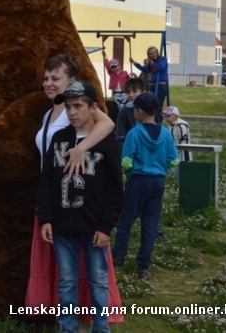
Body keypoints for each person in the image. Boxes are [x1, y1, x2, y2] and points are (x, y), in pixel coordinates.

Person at [27, 53, 123, 326]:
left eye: (55, 78)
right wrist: (46, 215)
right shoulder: (54, 126)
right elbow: (48, 176)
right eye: (46, 77)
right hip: (61, 214)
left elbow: (115, 186)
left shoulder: (101, 136)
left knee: (96, 277)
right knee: (66, 278)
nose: (72, 112)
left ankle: (100, 327)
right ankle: (66, 327)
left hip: (91, 217)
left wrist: (106, 225)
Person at [112, 93, 179, 280]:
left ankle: (118, 259)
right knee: (150, 224)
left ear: (140, 111)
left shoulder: (134, 133)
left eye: (134, 109)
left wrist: (133, 168)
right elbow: (174, 160)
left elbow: (126, 162)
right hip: (158, 182)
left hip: (138, 180)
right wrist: (159, 165)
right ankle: (144, 267)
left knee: (125, 221)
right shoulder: (165, 133)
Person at [114, 78, 147, 151]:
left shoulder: (150, 108)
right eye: (128, 92)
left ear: (143, 92)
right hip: (131, 149)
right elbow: (120, 136)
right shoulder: (124, 111)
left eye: (134, 91)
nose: (131, 95)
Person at [163, 106, 191, 184]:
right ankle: (179, 186)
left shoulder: (181, 125)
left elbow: (184, 140)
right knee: (176, 173)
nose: (166, 118)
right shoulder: (170, 126)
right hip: (174, 154)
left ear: (176, 116)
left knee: (184, 173)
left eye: (169, 116)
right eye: (165, 116)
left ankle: (185, 186)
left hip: (183, 155)